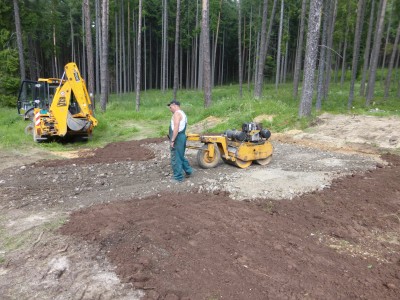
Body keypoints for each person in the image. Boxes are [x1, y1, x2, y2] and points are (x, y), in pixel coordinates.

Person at [167, 100, 193, 182]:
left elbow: (176, 127)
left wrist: (172, 140)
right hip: (182, 136)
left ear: (174, 105)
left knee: (176, 157)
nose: (170, 109)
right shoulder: (183, 113)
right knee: (180, 155)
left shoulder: (177, 114)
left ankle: (178, 177)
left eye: (170, 107)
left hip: (178, 137)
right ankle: (188, 171)